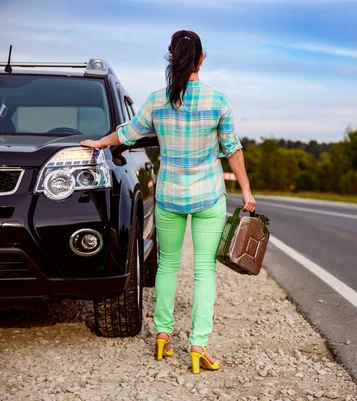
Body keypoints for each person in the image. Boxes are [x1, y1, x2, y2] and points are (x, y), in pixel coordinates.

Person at [81, 29, 256, 374]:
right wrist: (246, 192)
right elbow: (232, 149)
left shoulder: (156, 100)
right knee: (204, 270)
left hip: (170, 195)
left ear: (171, 56)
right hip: (208, 195)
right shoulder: (217, 101)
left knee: (167, 266)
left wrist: (100, 143)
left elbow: (128, 133)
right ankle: (198, 344)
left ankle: (162, 334)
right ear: (202, 59)